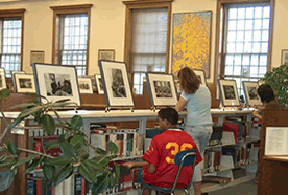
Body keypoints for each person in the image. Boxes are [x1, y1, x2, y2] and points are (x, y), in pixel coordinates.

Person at [124, 108, 202, 195]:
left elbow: (151, 169)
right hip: (183, 180)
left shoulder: (158, 139)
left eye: (160, 121)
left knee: (143, 174)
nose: (159, 125)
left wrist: (135, 165)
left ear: (166, 121)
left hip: (164, 180)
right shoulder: (189, 138)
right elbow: (195, 161)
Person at [175, 67, 213, 195]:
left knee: (194, 160)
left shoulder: (188, 91)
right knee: (199, 158)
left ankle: (198, 191)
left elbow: (177, 109)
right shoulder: (205, 88)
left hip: (193, 128)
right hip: (208, 127)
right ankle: (196, 188)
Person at [252, 84, 281, 182]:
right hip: (274, 134)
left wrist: (257, 115)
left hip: (269, 135)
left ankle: (261, 177)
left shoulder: (270, 106)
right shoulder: (274, 104)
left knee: (261, 155)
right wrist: (260, 108)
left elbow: (267, 120)